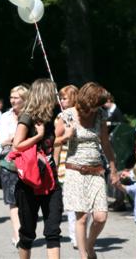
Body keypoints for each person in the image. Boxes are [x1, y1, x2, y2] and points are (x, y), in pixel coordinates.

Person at [57, 82, 118, 259]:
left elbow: (105, 143)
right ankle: (83, 256)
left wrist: (113, 168)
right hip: (75, 170)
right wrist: (65, 137)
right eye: (95, 105)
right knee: (81, 217)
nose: (97, 109)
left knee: (100, 217)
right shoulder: (67, 115)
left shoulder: (100, 115)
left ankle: (90, 246)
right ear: (87, 101)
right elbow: (54, 142)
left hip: (96, 171)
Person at [12, 78, 63, 259]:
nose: (56, 97)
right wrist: (38, 135)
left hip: (50, 181)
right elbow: (17, 146)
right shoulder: (27, 117)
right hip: (30, 183)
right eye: (53, 93)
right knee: (27, 233)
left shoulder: (53, 117)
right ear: (45, 95)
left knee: (53, 231)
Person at [0, 85, 29, 247]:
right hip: (9, 162)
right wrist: (17, 139)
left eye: (17, 97)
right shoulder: (5, 117)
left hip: (29, 162)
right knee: (13, 200)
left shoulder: (32, 116)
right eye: (12, 97)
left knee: (27, 200)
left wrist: (16, 139)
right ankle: (18, 235)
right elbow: (3, 140)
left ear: (25, 99)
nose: (13, 100)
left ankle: (25, 230)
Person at [53, 84, 79, 249]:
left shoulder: (83, 114)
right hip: (65, 160)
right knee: (72, 201)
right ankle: (74, 235)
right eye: (60, 98)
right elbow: (56, 139)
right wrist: (54, 163)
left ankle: (82, 232)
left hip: (81, 160)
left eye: (65, 98)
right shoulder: (60, 117)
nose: (61, 101)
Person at [103, 92, 128, 212]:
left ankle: (120, 201)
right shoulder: (108, 112)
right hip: (111, 144)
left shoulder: (116, 112)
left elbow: (121, 127)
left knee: (117, 171)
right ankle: (117, 200)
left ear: (109, 100)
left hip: (117, 146)